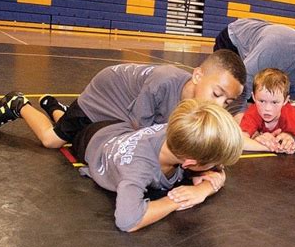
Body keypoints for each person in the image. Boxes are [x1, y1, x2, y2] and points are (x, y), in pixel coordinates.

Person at [0, 49, 247, 147]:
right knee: (53, 140)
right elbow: (140, 135)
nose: (219, 105)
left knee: (78, 134)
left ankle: (54, 106)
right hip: (102, 99)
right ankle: (18, 103)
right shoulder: (164, 83)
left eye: (226, 102)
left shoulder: (194, 100)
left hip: (122, 104)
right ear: (198, 75)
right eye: (217, 94)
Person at [74, 99, 243, 232]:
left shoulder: (183, 132)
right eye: (214, 163)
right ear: (190, 163)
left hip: (121, 128)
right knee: (55, 135)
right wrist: (176, 201)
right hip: (92, 140)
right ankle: (53, 110)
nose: (219, 166)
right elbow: (128, 221)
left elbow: (218, 173)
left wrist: (202, 190)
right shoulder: (137, 169)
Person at [241, 68, 295, 163]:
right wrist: (272, 148)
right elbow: (239, 141)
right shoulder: (253, 112)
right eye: (261, 101)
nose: (267, 108)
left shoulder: (293, 117)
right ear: (253, 97)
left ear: (285, 101)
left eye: (274, 102)